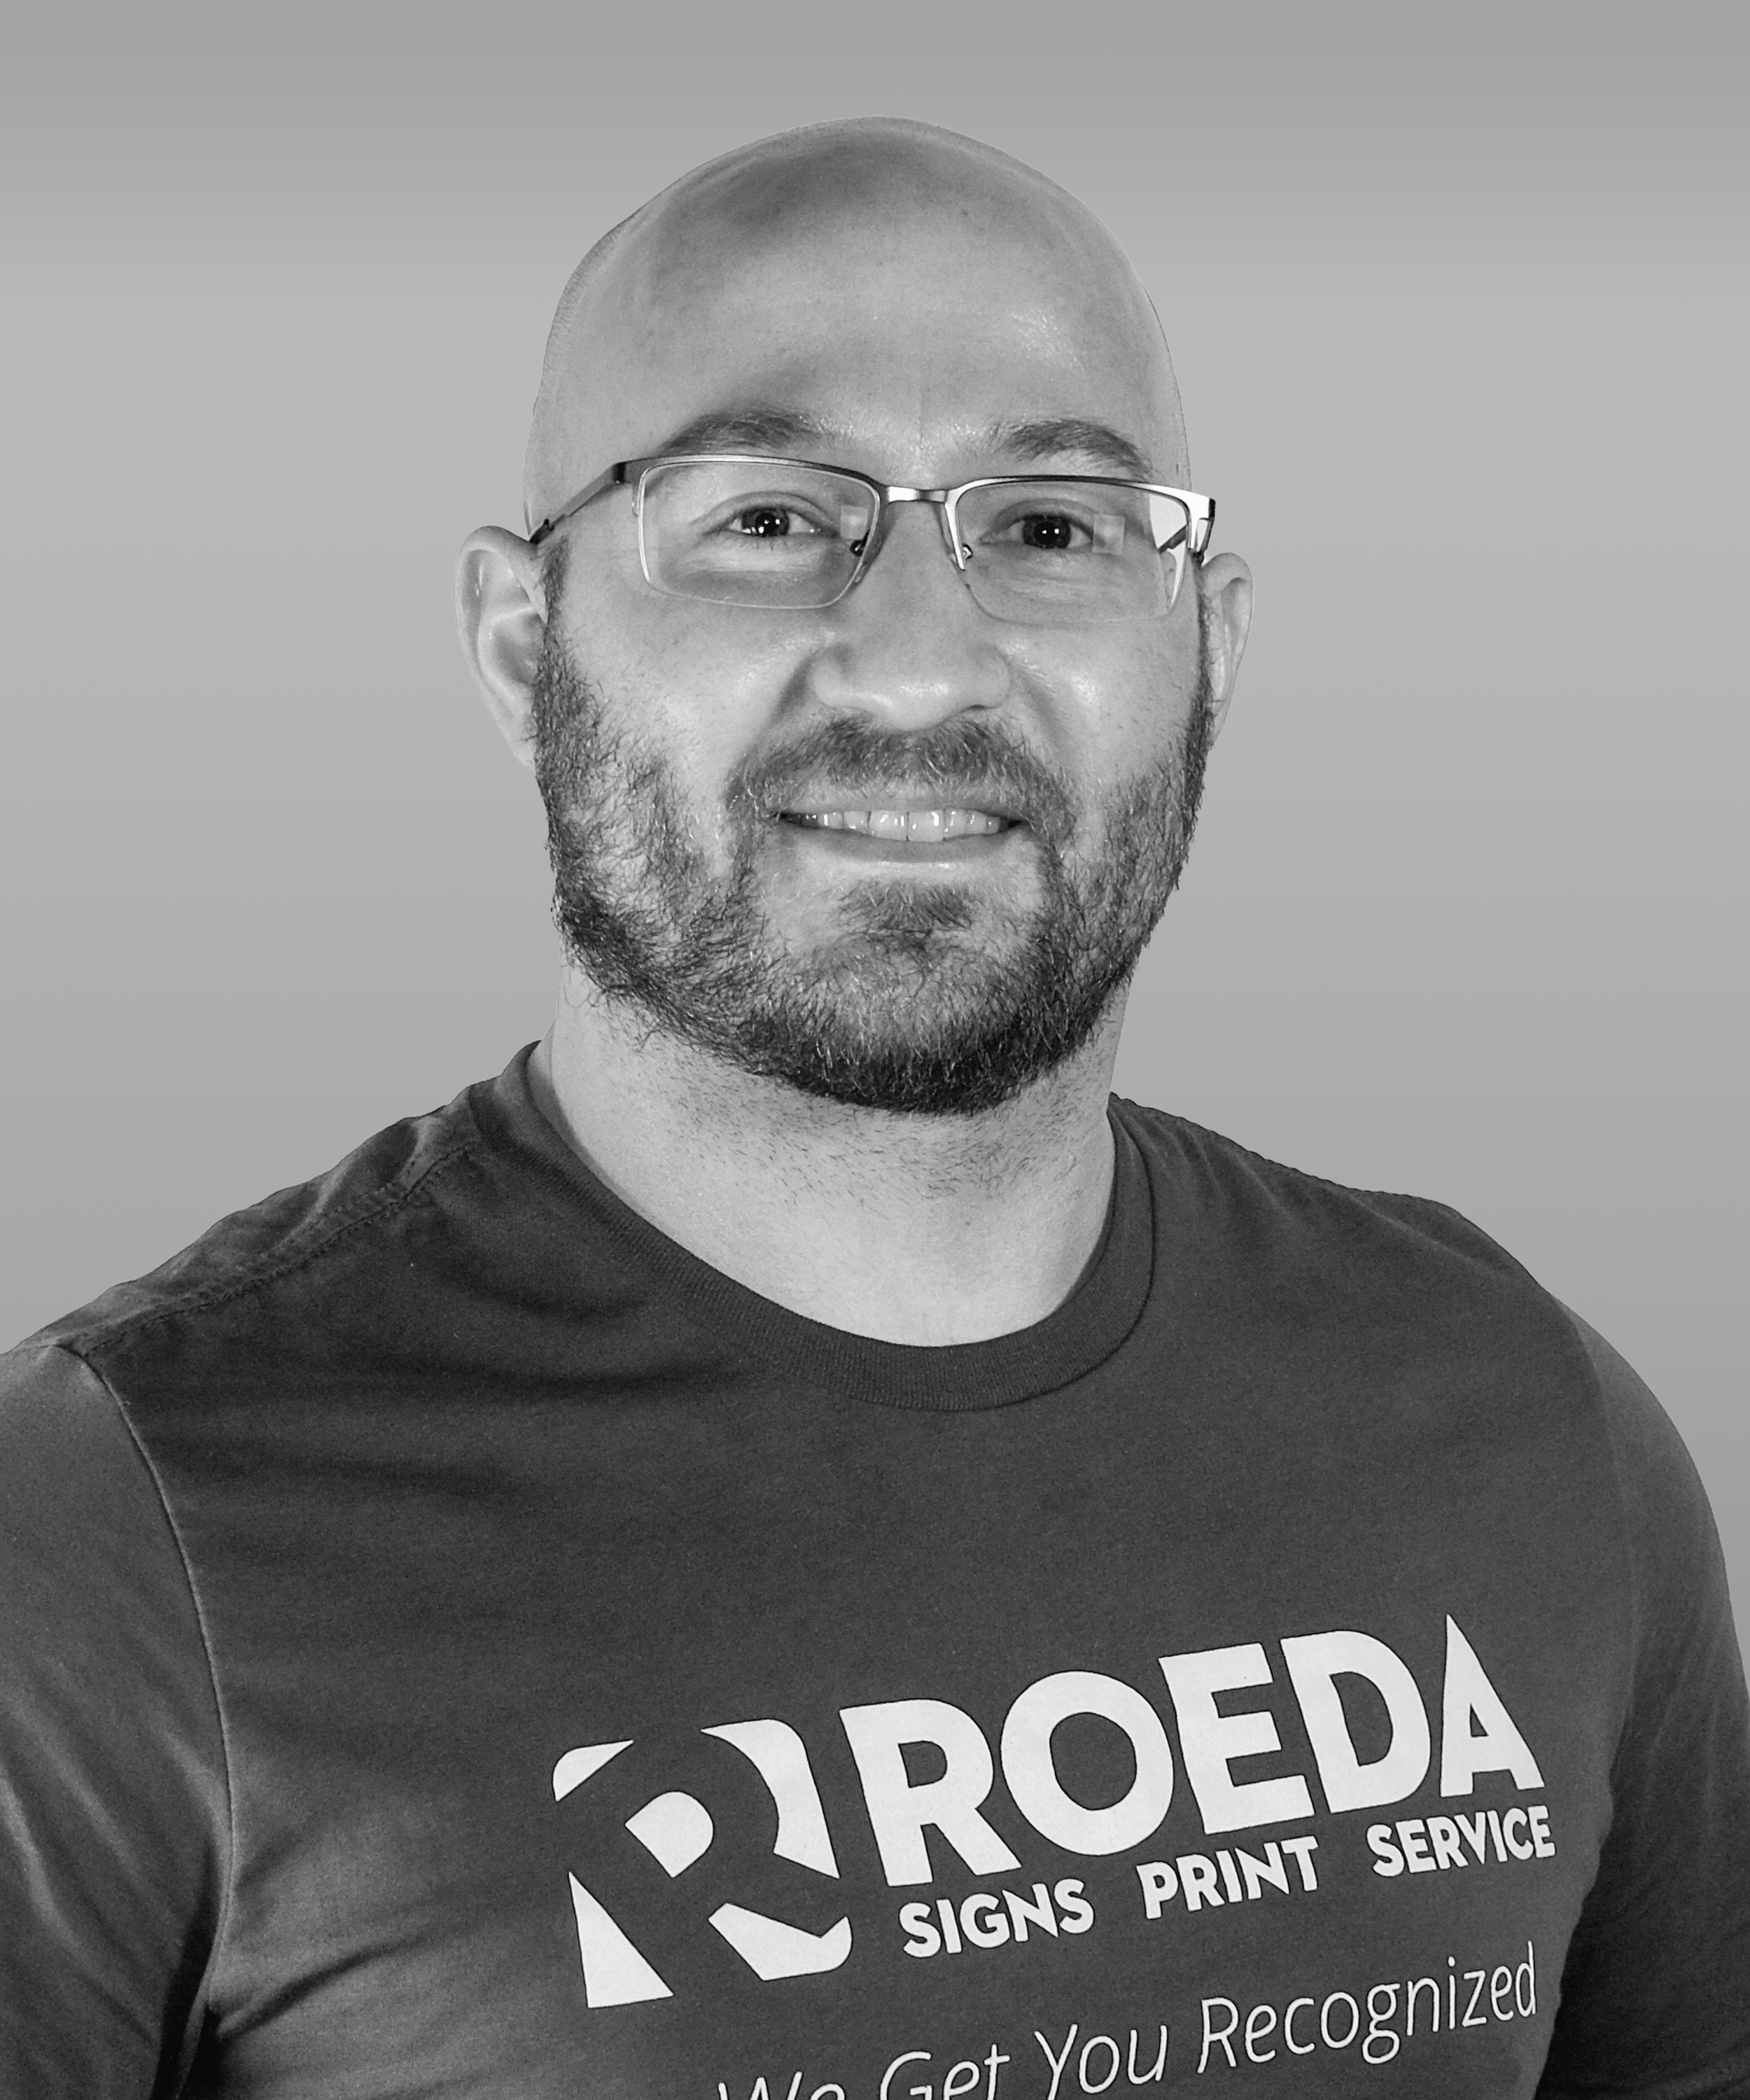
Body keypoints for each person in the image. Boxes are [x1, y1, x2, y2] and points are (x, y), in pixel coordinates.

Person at [1, 117, 1745, 2100]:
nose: (921, 656)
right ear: (520, 646)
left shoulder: (1523, 1419)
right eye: (763, 517)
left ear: (1207, 648)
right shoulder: (113, 1545)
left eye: (1050, 528)